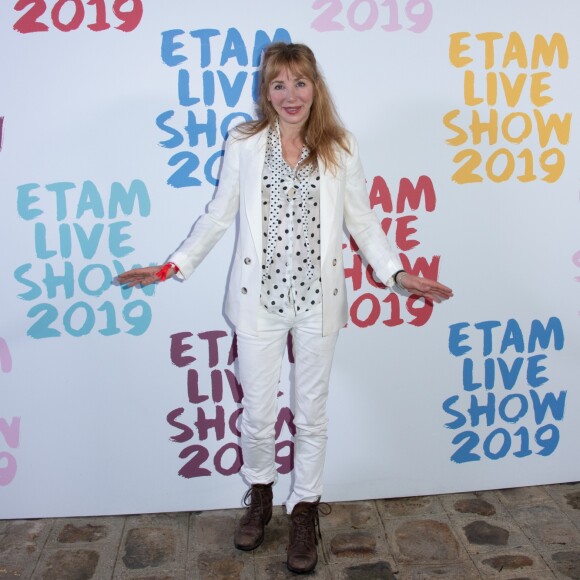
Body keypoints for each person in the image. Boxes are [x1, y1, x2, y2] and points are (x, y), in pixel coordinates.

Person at [118, 42, 453, 574]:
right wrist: (170, 266)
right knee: (257, 412)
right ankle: (259, 497)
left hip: (319, 305)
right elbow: (217, 215)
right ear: (266, 92)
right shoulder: (245, 143)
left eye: (300, 82)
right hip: (259, 303)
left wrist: (397, 273)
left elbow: (362, 222)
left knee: (312, 413)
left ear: (315, 87)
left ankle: (304, 509)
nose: (290, 94)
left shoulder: (340, 147)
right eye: (279, 84)